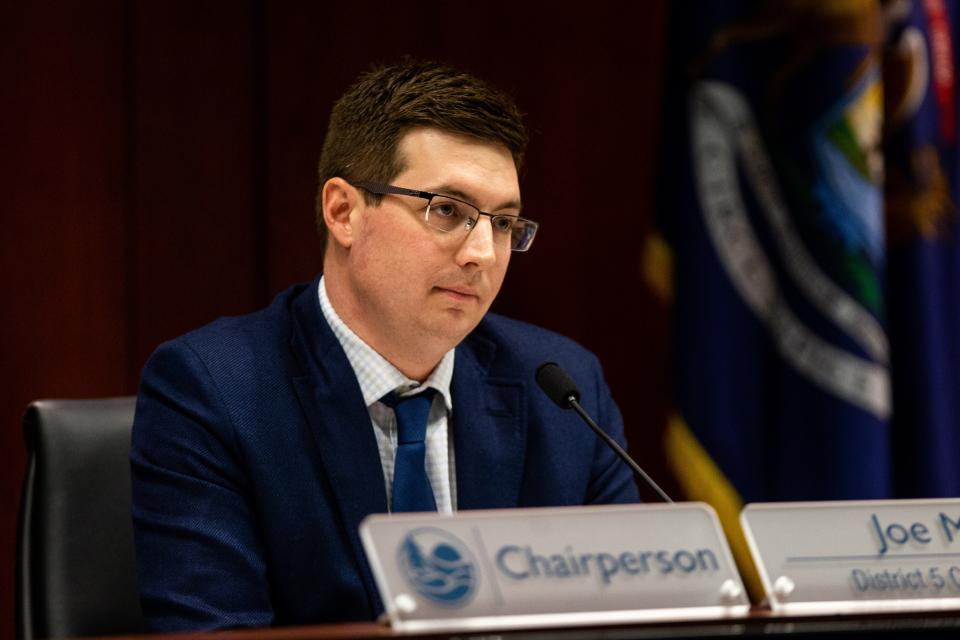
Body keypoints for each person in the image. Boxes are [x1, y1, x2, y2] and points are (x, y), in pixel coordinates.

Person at [130, 59, 639, 631]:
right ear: (343, 211)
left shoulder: (564, 390)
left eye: (502, 223)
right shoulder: (215, 390)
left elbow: (638, 618)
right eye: (447, 210)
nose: (483, 254)